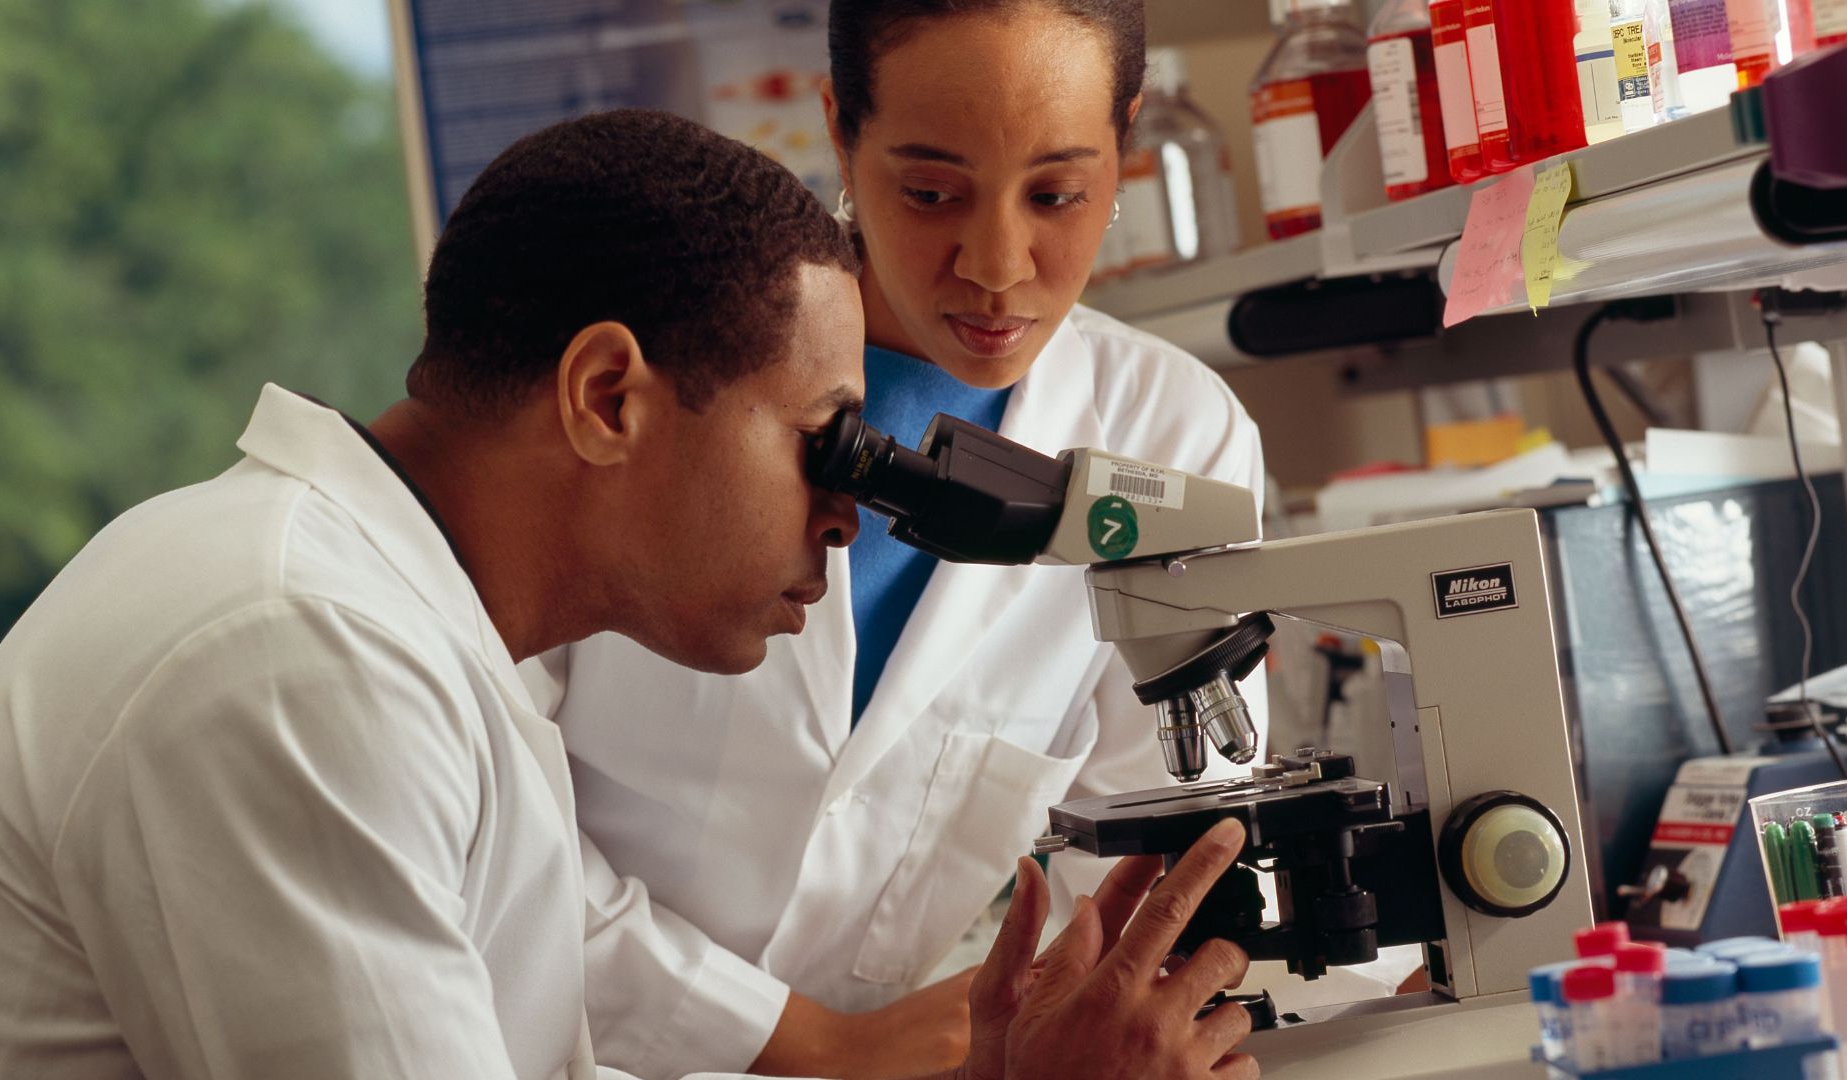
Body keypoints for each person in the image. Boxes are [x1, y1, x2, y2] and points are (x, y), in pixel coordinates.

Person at [0, 108, 1259, 1080]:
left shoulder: (423, 645)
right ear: (609, 397)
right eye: (824, 442)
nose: (844, 514)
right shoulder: (298, 661)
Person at [551, 5, 1292, 1080]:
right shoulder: (653, 385)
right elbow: (493, 802)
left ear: (1124, 142)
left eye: (1057, 194)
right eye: (932, 194)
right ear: (839, 129)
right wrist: (813, 1046)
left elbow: (1160, 859)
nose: (996, 266)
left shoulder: (1171, 434)